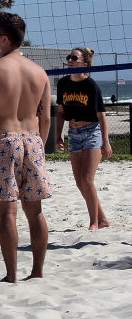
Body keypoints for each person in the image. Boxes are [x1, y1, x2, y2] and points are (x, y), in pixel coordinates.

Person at [0, 12, 52, 283]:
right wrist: (39, 146)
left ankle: (11, 275)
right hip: (32, 139)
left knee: (7, 212)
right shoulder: (39, 72)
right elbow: (47, 117)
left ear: (4, 39)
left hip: (5, 139)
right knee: (35, 211)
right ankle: (38, 272)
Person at [56, 47, 111, 230]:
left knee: (87, 179)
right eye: (69, 57)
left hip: (91, 132)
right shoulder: (63, 83)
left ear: (84, 64)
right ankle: (102, 219)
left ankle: (94, 222)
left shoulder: (91, 85)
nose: (70, 60)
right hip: (73, 133)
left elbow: (102, 115)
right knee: (80, 182)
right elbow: (61, 113)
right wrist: (58, 137)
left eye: (74, 58)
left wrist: (106, 142)